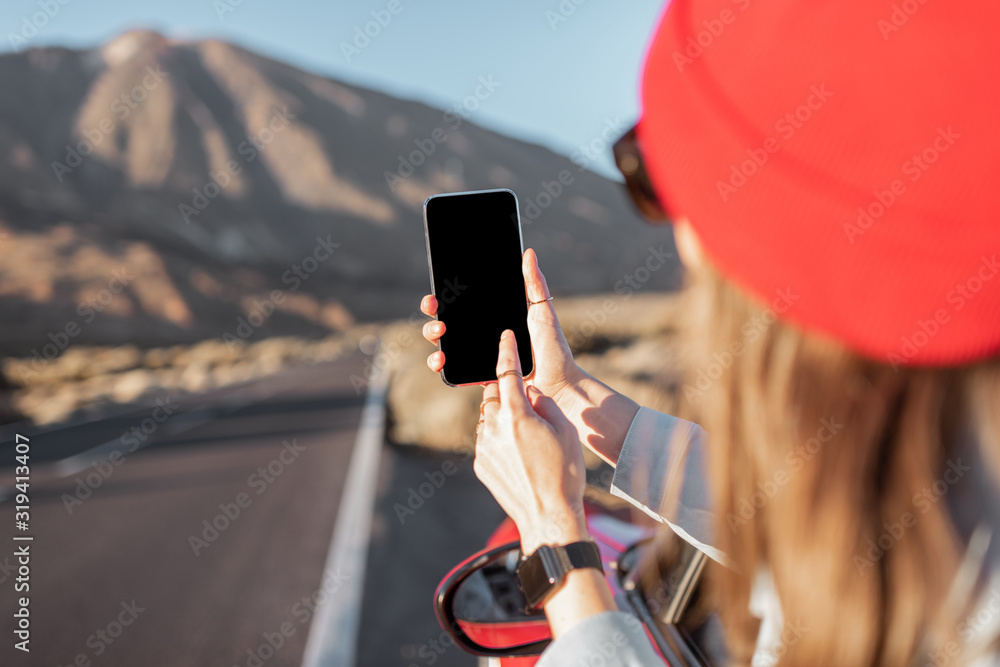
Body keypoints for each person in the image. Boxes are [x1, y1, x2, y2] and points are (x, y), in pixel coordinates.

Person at [420, 0, 1000, 664]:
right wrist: (575, 397)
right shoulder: (949, 473)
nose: (680, 233)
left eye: (663, 175)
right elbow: (796, 505)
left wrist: (557, 543)